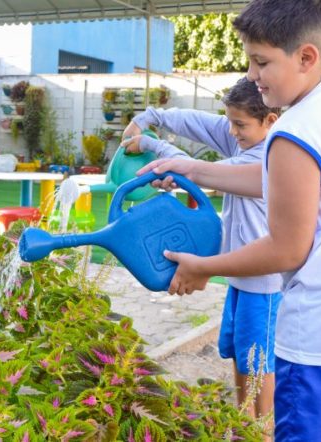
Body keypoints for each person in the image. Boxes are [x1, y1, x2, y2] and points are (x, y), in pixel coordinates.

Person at [136, 0, 321, 440]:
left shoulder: (295, 129)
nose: (252, 75)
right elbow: (288, 184)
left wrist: (204, 266)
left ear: (306, 57)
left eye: (261, 62)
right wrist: (192, 169)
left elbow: (286, 248)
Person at [121, 77, 283, 424]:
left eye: (240, 124)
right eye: (230, 122)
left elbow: (199, 172)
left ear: (271, 121)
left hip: (265, 286)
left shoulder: (267, 159)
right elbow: (195, 122)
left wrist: (153, 146)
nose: (232, 131)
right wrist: (151, 116)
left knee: (260, 364)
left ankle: (265, 429)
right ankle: (245, 425)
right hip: (240, 280)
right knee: (242, 356)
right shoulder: (243, 139)